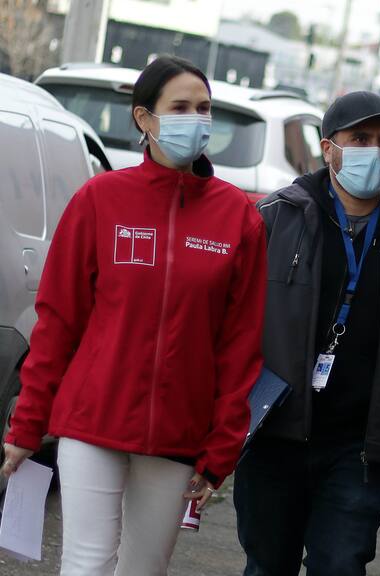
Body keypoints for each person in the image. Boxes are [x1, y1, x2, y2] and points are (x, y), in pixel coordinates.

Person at [1, 55, 267, 575]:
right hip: (92, 420)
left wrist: (223, 445)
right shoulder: (100, 200)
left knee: (145, 568)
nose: (197, 119)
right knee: (87, 563)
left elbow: (242, 344)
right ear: (145, 118)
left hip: (178, 432)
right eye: (181, 107)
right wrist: (27, 424)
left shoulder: (237, 217)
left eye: (204, 108)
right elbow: (57, 322)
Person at [234, 91, 380, 576]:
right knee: (266, 565)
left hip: (358, 449)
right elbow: (233, 327)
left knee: (341, 565)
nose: (375, 150)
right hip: (274, 437)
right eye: (360, 138)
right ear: (328, 148)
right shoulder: (276, 218)